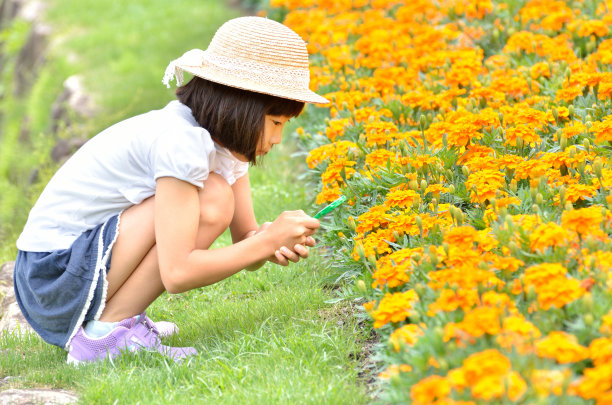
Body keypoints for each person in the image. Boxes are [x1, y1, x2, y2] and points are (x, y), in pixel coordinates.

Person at [12, 16, 328, 365]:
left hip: (69, 269)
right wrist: (264, 242)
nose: (278, 139)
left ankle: (117, 320)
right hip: (50, 277)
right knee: (214, 199)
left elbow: (245, 243)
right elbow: (178, 274)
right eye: (276, 123)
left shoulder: (220, 144)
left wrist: (268, 241)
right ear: (242, 107)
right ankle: (103, 337)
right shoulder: (182, 142)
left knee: (215, 195)